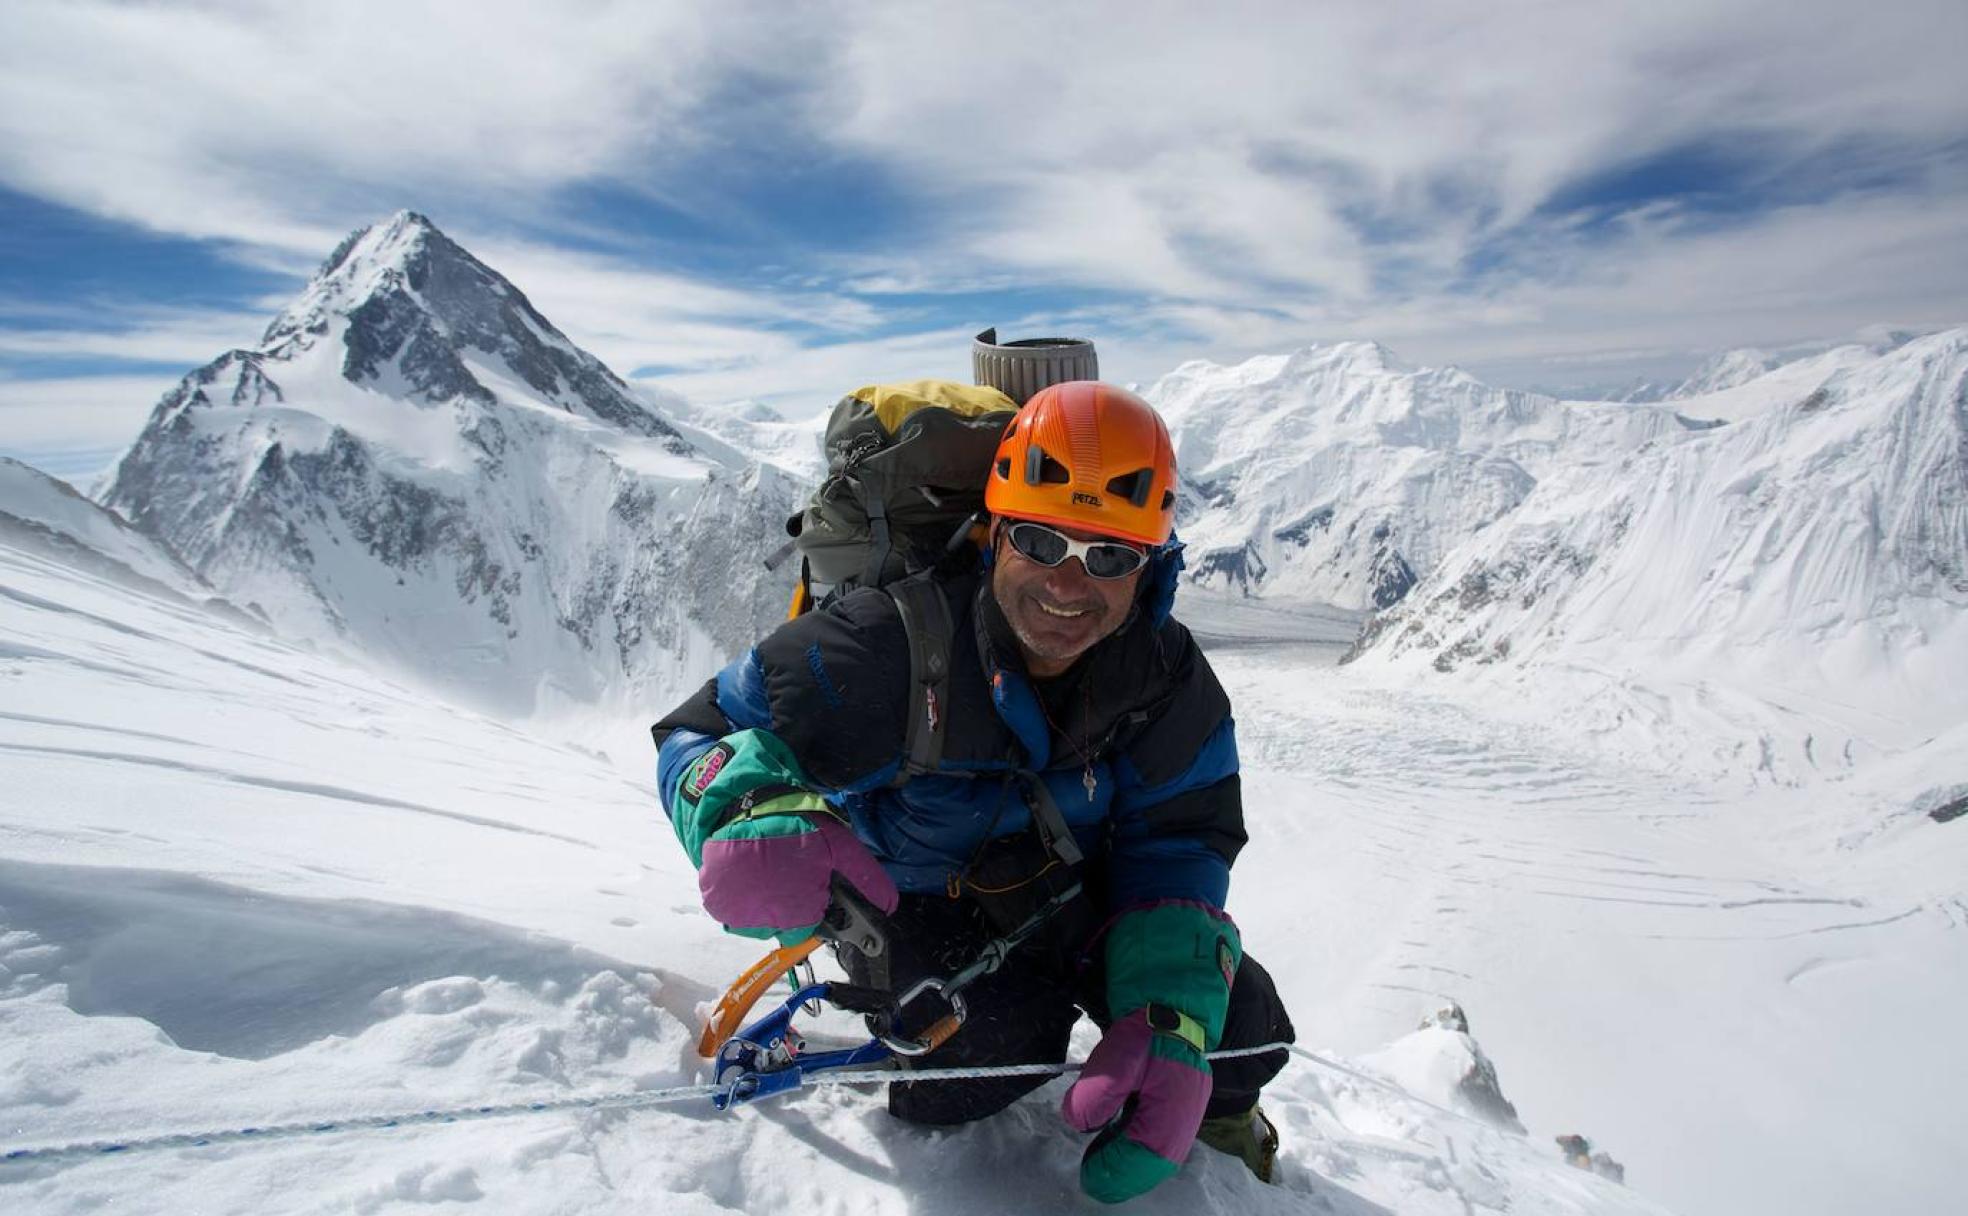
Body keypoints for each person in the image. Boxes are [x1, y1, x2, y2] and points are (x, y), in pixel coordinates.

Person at [651, 378, 1294, 1202]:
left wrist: (1166, 1011)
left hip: (1063, 892)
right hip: (908, 898)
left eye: (1108, 556)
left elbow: (1178, 840)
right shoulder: (884, 645)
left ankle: (1230, 1143)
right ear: (993, 534)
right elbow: (699, 732)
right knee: (983, 1055)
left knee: (1237, 1025)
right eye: (1041, 541)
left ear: (1150, 565)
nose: (1068, 585)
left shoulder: (1165, 677)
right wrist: (740, 808)